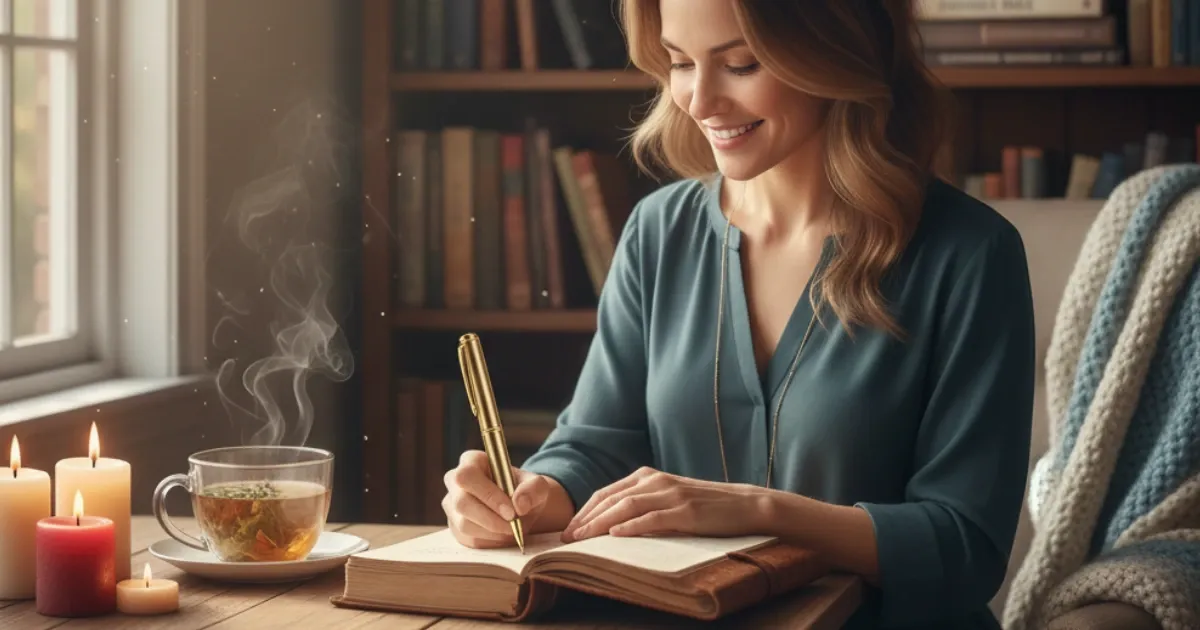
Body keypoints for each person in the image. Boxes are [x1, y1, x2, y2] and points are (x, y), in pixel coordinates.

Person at [440, 1, 1036, 628]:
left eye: (741, 64)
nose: (699, 102)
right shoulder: (658, 231)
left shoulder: (970, 254)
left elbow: (965, 545)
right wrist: (533, 494)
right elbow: (597, 445)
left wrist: (758, 511)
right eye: (679, 63)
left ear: (837, 51)